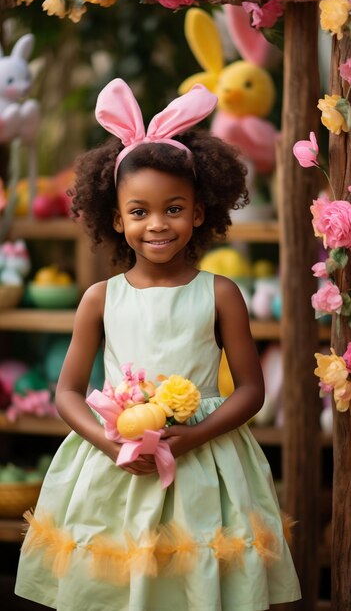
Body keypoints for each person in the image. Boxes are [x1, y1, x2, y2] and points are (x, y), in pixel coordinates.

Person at [15, 79, 300, 611]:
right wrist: (109, 446)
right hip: (118, 459)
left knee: (194, 576)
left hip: (203, 458)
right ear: (117, 219)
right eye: (139, 212)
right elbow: (68, 393)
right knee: (120, 579)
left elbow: (251, 391)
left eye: (173, 208)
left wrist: (190, 440)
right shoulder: (100, 299)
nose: (157, 224)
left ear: (198, 213)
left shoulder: (220, 294)